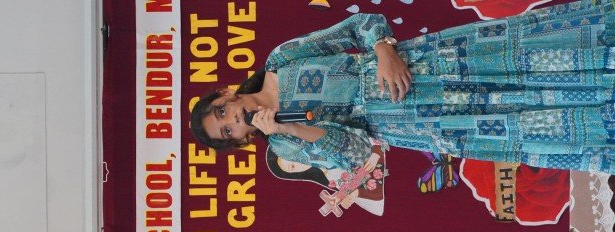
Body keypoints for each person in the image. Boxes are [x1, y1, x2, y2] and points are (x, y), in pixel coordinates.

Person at [190, 0, 615, 174]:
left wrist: (384, 50)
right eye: (227, 131)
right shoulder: (285, 146)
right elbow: (356, 153)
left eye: (222, 113)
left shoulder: (281, 61)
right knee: (520, 123)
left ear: (225, 95)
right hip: (418, 121)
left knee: (522, 59)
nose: (233, 120)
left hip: (430, 64)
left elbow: (357, 25)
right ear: (240, 140)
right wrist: (289, 128)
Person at [265, 147, 386, 216]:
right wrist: (355, 194)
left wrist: (376, 152)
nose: (298, 162)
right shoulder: (331, 178)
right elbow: (376, 195)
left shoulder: (327, 145)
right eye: (292, 166)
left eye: (292, 157)